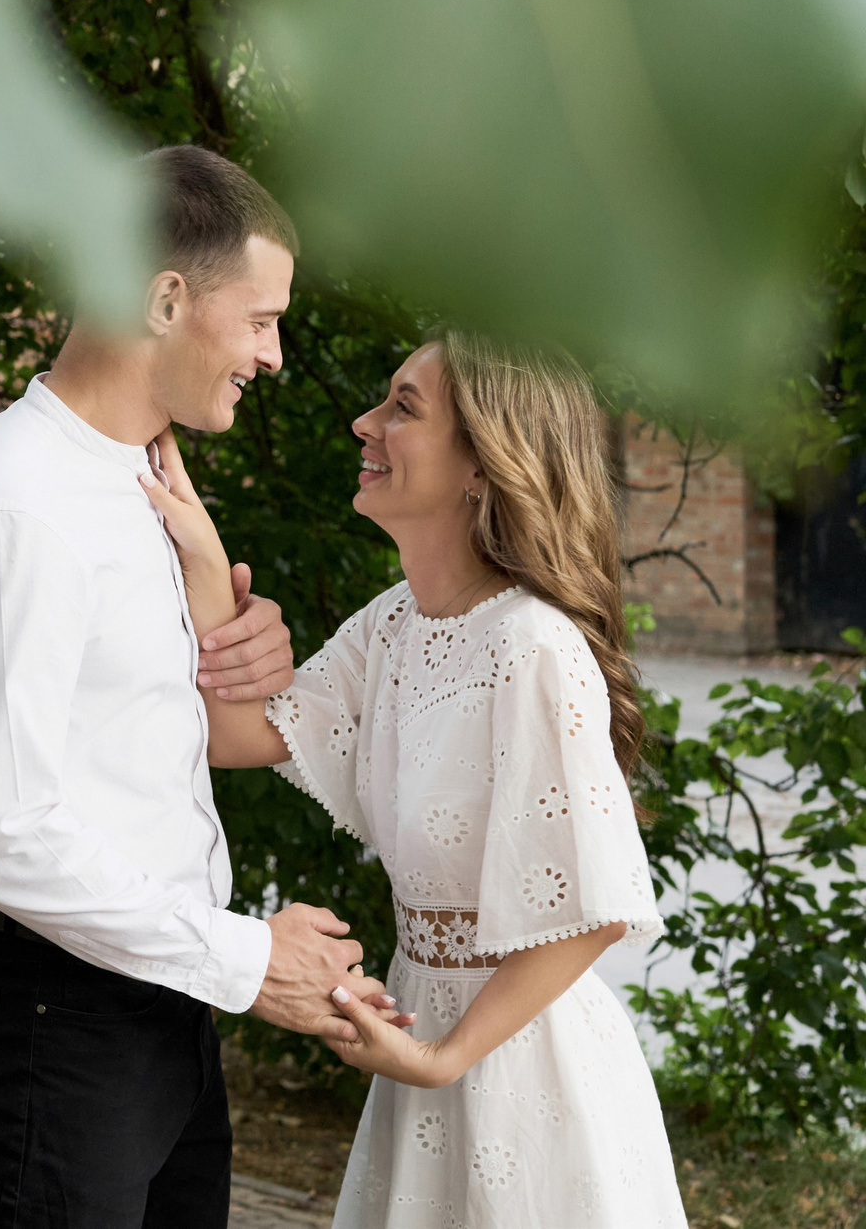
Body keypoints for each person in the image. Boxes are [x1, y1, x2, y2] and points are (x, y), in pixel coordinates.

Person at [0, 146, 406, 1228]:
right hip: (49, 1013)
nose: (272, 355)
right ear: (165, 297)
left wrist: (223, 617)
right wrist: (245, 957)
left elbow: (136, 738)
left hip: (155, 1005)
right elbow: (0, 829)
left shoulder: (139, 488)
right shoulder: (15, 507)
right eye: (259, 318)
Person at [145, 332, 688, 1225]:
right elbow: (236, 730)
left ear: (484, 462)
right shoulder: (395, 624)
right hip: (421, 1043)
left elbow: (597, 905)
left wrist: (443, 1055)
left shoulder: (532, 643)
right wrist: (206, 560)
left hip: (526, 1065)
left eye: (404, 407)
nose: (365, 423)